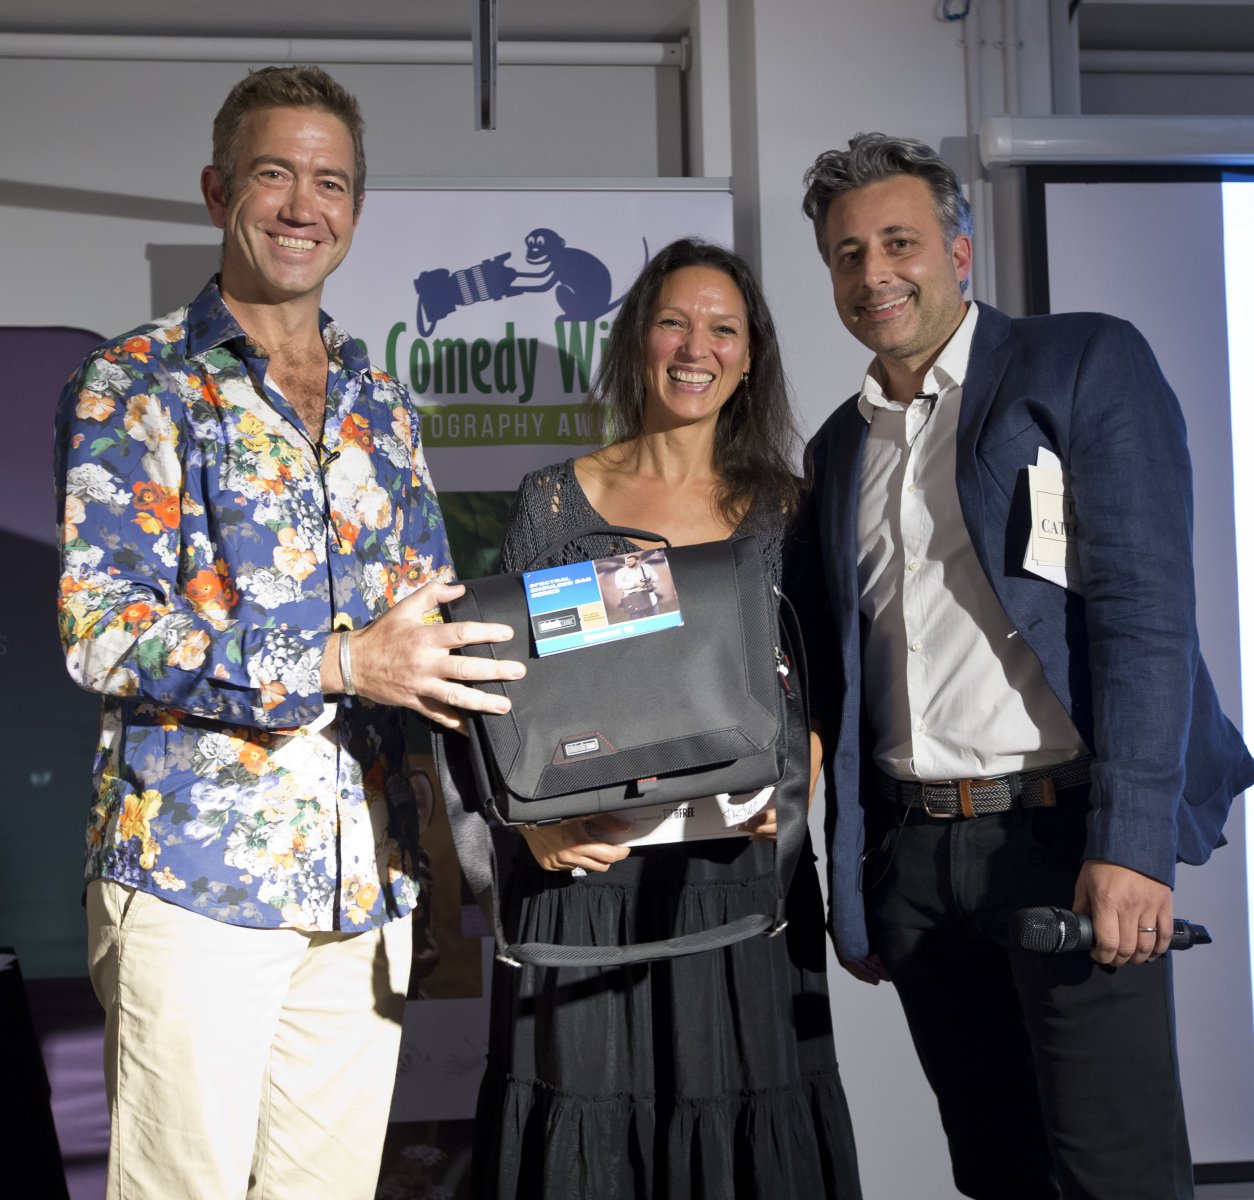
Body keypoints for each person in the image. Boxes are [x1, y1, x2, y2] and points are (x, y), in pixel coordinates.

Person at [54, 65, 524, 1200]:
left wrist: (547, 794)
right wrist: (338, 663)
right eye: (274, 174)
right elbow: (102, 628)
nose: (303, 206)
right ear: (219, 190)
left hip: (367, 883)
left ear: (356, 209)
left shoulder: (383, 406)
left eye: (332, 182)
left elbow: (431, 632)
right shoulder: (135, 383)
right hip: (195, 883)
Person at [790, 132, 1254, 1200]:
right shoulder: (838, 449)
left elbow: (1147, 614)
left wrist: (1131, 844)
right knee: (998, 1175)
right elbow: (840, 682)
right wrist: (859, 885)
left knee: (1116, 1178)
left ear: (959, 252)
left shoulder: (1082, 362)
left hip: (1064, 839)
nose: (873, 273)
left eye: (898, 242)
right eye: (848, 254)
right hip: (917, 859)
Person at [469, 239, 862, 1199]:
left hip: (737, 879)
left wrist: (804, 767)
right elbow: (504, 697)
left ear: (750, 356)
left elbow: (829, 684)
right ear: (637, 340)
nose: (696, 348)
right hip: (587, 879)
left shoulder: (786, 510)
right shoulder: (553, 502)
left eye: (723, 329)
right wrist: (536, 829)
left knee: (745, 1131)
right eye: (674, 323)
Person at [612, 551, 661, 615]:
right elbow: (619, 585)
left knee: (655, 617)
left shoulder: (646, 567)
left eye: (630, 561)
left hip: (650, 598)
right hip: (633, 600)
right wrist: (635, 583)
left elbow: (656, 577)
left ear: (637, 561)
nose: (627, 563)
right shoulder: (620, 572)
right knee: (637, 619)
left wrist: (649, 580)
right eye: (626, 561)